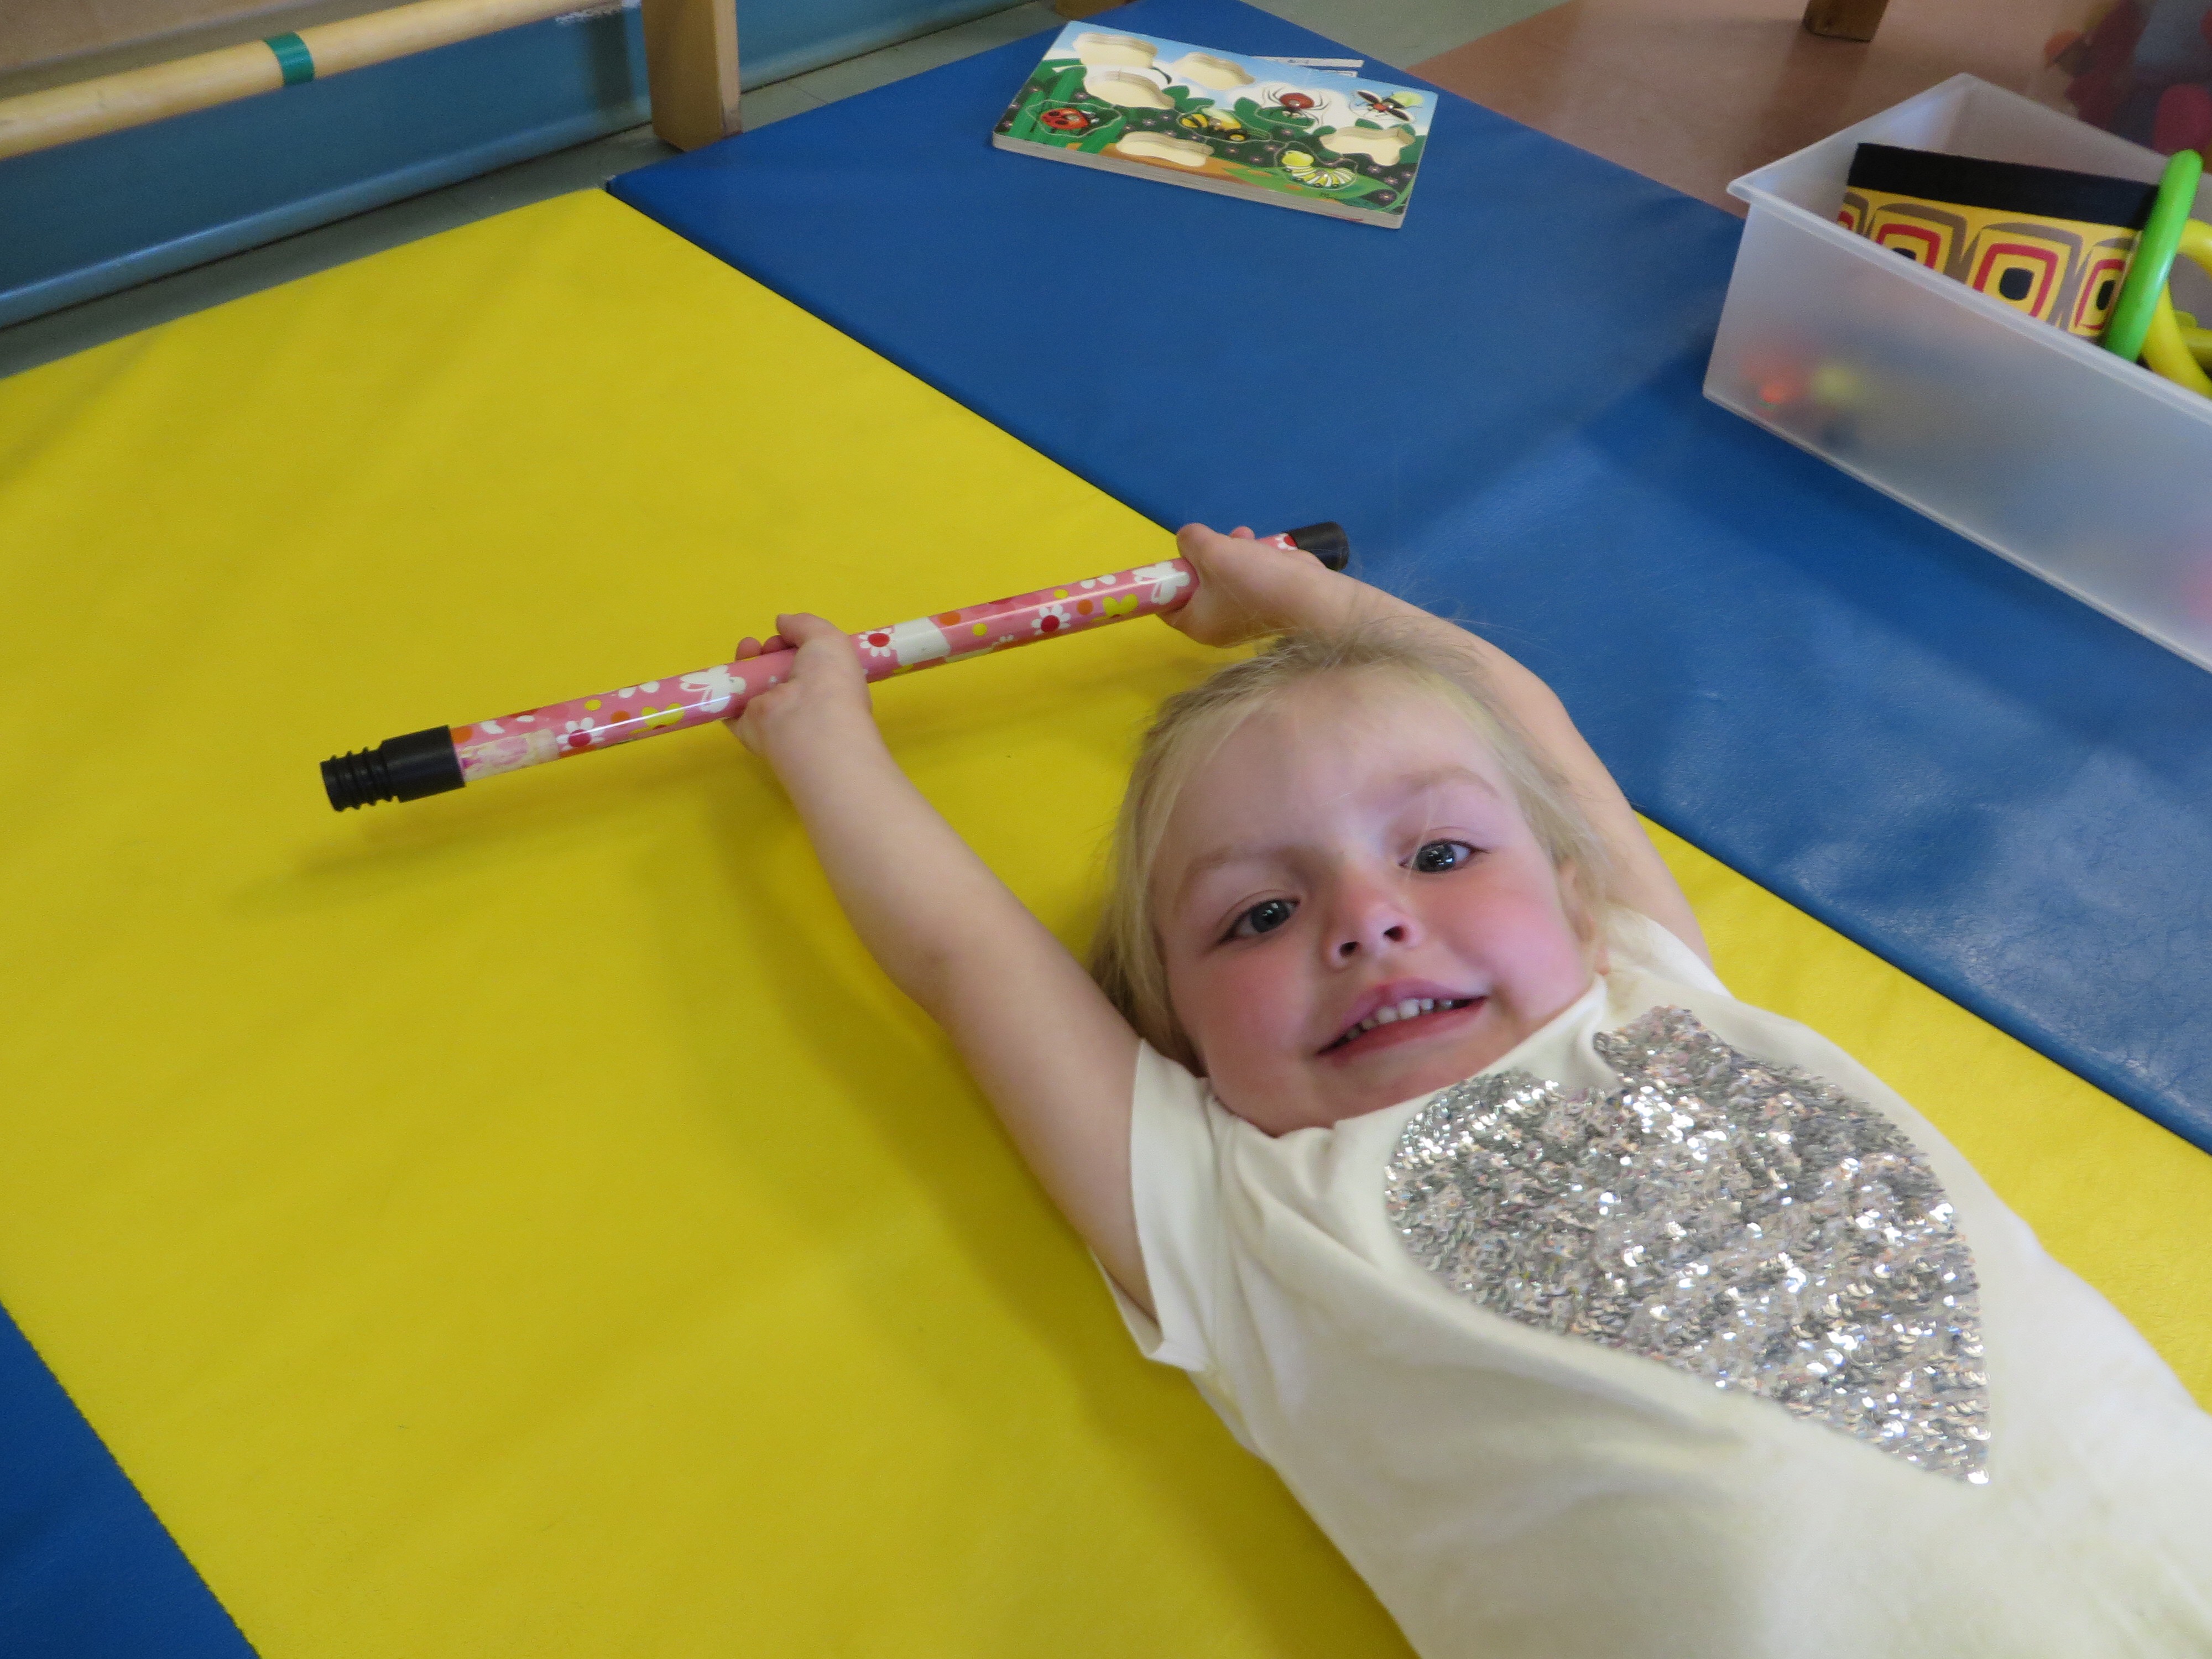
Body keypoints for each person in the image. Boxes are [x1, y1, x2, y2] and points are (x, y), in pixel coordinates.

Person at [728, 522, 2212, 1657]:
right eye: (1257, 915)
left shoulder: (1642, 979)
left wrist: (1300, 598)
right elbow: (968, 958)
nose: (1368, 922)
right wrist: (824, 740)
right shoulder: (1231, 1209)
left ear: (1571, 892)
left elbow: (1513, 712)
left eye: (1439, 854)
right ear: (1173, 1035)